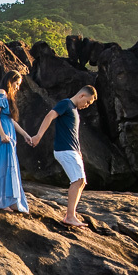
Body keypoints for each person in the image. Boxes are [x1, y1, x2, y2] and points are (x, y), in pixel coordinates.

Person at [32, 85, 98, 227]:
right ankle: (70, 216)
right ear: (82, 95)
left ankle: (71, 214)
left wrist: (79, 151)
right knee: (77, 180)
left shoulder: (73, 110)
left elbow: (73, 134)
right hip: (64, 150)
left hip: (73, 151)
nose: (87, 106)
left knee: (81, 182)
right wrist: (38, 136)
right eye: (87, 102)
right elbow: (49, 115)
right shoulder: (66, 104)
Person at [0, 70, 34, 213]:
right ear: (10, 81)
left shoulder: (8, 97)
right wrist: (2, 134)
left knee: (11, 167)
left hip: (9, 135)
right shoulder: (1, 93)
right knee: (4, 168)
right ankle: (1, 202)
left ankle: (11, 201)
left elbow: (11, 121)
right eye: (17, 83)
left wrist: (25, 135)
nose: (17, 87)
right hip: (2, 135)